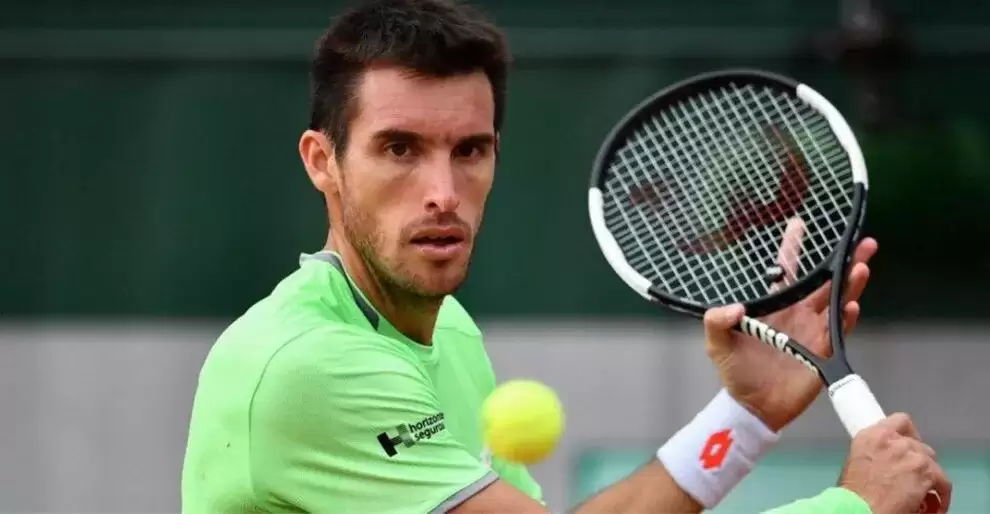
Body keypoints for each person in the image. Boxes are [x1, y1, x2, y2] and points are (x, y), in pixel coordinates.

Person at [180, 1, 952, 512]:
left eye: (469, 150)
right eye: (399, 149)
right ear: (323, 161)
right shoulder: (306, 366)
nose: (443, 192)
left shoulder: (448, 332)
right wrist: (854, 505)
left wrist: (743, 416)